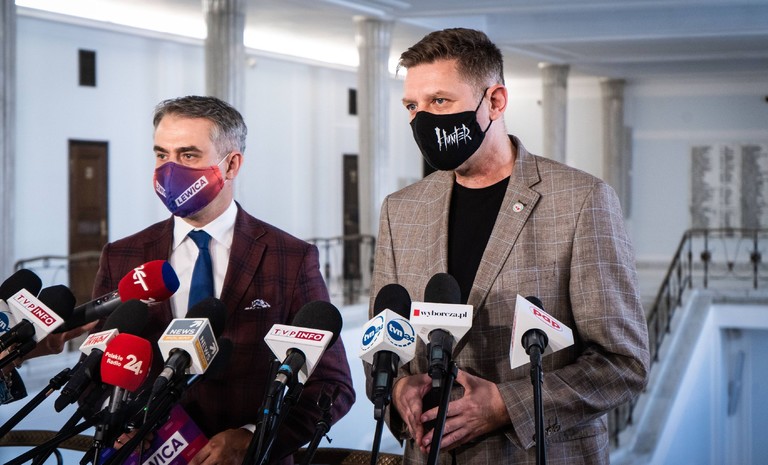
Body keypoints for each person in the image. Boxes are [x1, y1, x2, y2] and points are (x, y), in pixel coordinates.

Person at [368, 28, 650, 464]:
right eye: (412, 106)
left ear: (495, 102)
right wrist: (399, 387)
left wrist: (507, 405)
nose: (423, 120)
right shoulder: (400, 210)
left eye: (440, 101)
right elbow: (384, 341)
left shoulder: (581, 201)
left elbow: (623, 364)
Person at [93, 95, 355, 465]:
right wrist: (124, 424)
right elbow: (98, 372)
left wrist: (252, 439)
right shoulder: (123, 257)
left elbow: (332, 385)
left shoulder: (290, 258)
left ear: (231, 164)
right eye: (162, 155)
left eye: (188, 155)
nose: (170, 170)